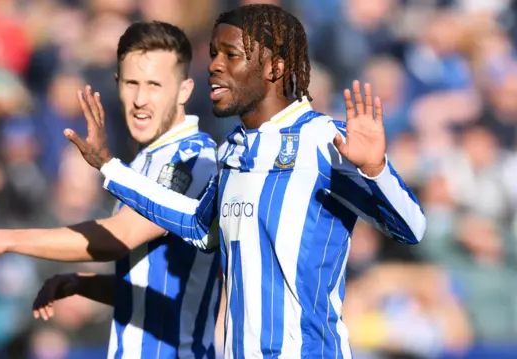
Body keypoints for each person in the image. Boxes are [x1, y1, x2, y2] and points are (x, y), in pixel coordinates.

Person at [62, 4, 427, 359]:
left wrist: (377, 170)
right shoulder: (232, 150)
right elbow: (196, 225)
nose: (215, 66)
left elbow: (411, 227)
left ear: (275, 66)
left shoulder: (324, 139)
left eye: (231, 55)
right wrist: (110, 167)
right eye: (213, 54)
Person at [0, 21, 222, 359]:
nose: (140, 99)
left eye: (155, 85)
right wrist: (84, 284)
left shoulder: (194, 159)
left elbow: (120, 235)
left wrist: (2, 239)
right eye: (131, 84)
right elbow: (162, 290)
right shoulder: (144, 162)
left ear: (184, 90)